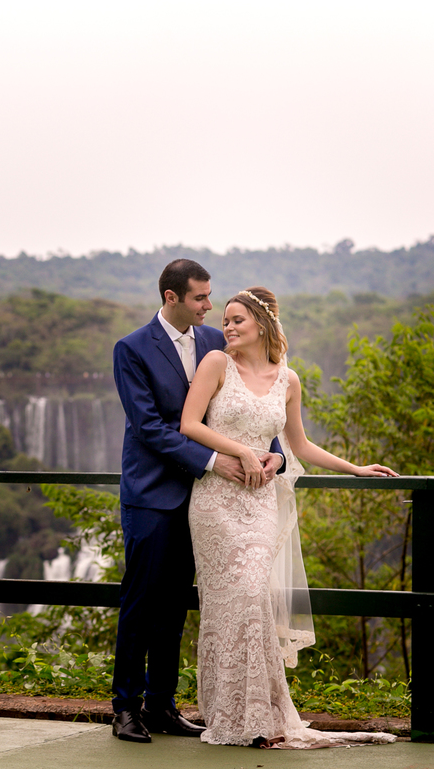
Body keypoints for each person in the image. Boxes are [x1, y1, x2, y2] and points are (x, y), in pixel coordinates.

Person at [181, 286, 398, 748]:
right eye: (226, 319)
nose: (228, 326)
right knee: (231, 601)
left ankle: (262, 714)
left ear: (261, 324)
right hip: (217, 501)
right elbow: (190, 425)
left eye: (238, 319)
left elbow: (300, 446)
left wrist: (354, 467)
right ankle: (230, 714)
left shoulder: (288, 379)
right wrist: (241, 448)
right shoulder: (216, 364)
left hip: (260, 503)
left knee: (255, 593)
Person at [110, 259, 284, 743]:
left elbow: (248, 410)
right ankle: (124, 707)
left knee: (175, 607)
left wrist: (276, 459)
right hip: (152, 495)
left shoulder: (215, 345)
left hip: (208, 502)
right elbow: (149, 427)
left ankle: (162, 705)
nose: (211, 305)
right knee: (141, 602)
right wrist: (212, 462)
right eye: (201, 298)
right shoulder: (132, 349)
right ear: (172, 298)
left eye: (211, 297)